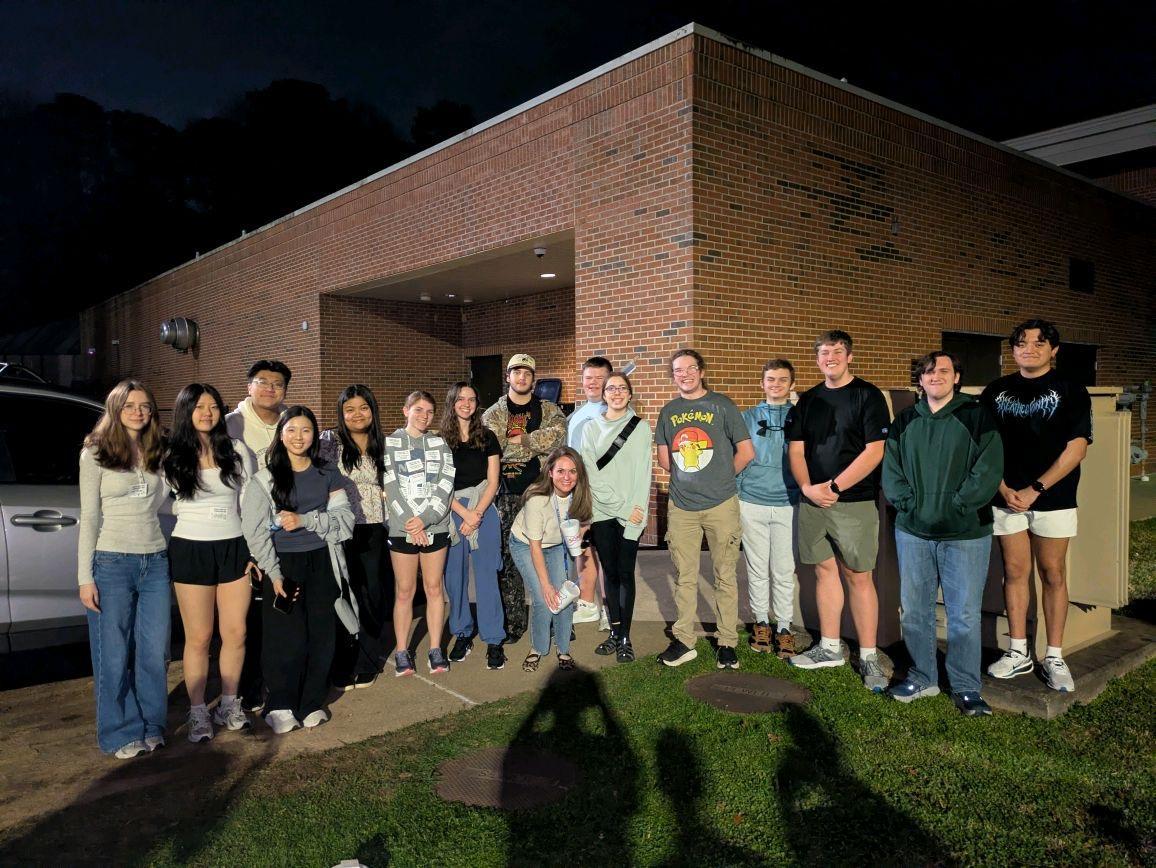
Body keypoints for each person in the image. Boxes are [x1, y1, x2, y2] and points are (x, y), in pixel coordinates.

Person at [882, 352, 1003, 716]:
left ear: (957, 377)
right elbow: (892, 471)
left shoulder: (977, 416)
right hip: (914, 532)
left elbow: (988, 469)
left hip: (965, 532)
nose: (935, 376)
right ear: (920, 380)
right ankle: (923, 677)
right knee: (915, 610)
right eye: (928, 372)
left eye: (944, 371)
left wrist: (958, 505)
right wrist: (909, 505)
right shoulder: (905, 421)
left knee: (963, 614)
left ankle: (966, 687)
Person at [981, 319, 1091, 693]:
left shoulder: (1071, 389)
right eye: (1022, 343)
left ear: (1053, 350)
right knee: (1014, 571)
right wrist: (1001, 486)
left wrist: (1036, 489)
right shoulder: (996, 390)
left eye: (1039, 343)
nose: (1029, 349)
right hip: (1006, 496)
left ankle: (1054, 656)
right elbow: (984, 444)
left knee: (1052, 572)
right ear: (1012, 349)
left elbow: (1077, 448)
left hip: (1052, 498)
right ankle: (1018, 651)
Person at [785, 330, 890, 692]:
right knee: (824, 571)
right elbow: (796, 450)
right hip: (813, 500)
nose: (830, 357)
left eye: (837, 351)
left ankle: (869, 655)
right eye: (824, 353)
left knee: (858, 575)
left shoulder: (867, 395)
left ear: (849, 356)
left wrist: (833, 487)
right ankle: (829, 647)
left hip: (853, 501)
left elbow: (875, 451)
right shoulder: (808, 400)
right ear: (817, 359)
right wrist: (807, 488)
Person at [240, 406, 355, 734]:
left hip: (322, 560)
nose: (298, 437)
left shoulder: (328, 474)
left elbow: (345, 522)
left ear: (314, 435)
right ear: (281, 435)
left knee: (321, 634)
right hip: (283, 565)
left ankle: (311, 702)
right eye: (291, 430)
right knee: (284, 637)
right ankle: (280, 704)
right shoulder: (264, 480)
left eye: (306, 430)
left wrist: (305, 520)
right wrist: (274, 574)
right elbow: (255, 532)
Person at [77, 379, 170, 759]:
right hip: (111, 562)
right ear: (115, 409)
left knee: (153, 652)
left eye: (145, 405)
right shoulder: (95, 453)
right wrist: (85, 577)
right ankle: (119, 732)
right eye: (130, 405)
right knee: (113, 654)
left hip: (155, 561)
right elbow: (89, 517)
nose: (138, 412)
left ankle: (152, 724)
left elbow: (165, 503)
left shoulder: (157, 451)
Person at [164, 383, 258, 742]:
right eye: (199, 407)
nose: (207, 413)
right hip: (191, 549)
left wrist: (253, 550)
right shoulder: (171, 454)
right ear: (185, 411)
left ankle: (229, 705)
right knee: (199, 637)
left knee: (235, 632)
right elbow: (157, 499)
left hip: (234, 547)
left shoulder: (235, 449)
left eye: (213, 406)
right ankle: (198, 711)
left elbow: (250, 502)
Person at [655, 349, 754, 669]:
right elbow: (665, 460)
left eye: (690, 368)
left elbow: (746, 452)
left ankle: (727, 642)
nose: (684, 374)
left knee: (725, 575)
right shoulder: (668, 411)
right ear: (673, 376)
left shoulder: (722, 405)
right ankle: (684, 640)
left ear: (701, 371)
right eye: (678, 370)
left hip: (721, 504)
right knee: (684, 576)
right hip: (682, 506)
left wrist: (721, 479)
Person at [482, 353, 567, 645]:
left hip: (540, 493)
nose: (522, 377)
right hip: (506, 494)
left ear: (533, 379)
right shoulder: (493, 413)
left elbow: (559, 437)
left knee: (549, 556)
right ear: (508, 377)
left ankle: (555, 619)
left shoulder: (549, 409)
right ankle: (514, 622)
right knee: (510, 561)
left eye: (527, 373)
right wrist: (534, 441)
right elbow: (492, 446)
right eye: (516, 372)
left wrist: (523, 439)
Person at [225, 359, 291, 712]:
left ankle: (280, 680)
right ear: (249, 385)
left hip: (287, 528)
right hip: (245, 531)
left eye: (277, 384)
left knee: (282, 609)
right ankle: (249, 686)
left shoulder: (290, 422)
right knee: (248, 616)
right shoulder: (230, 426)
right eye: (262, 382)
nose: (270, 389)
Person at [319, 385, 393, 691]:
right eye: (349, 409)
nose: (357, 415)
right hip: (339, 527)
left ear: (372, 410)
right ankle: (342, 660)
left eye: (363, 408)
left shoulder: (384, 443)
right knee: (341, 593)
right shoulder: (329, 442)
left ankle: (368, 658)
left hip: (374, 527)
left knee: (371, 593)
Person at [382, 391, 456, 676]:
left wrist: (425, 521)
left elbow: (445, 484)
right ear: (406, 411)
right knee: (405, 591)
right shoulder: (390, 444)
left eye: (429, 411)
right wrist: (411, 523)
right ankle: (402, 650)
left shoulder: (440, 444)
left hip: (434, 526)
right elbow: (390, 486)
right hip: (403, 529)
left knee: (434, 588)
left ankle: (435, 649)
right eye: (419, 410)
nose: (424, 416)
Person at [581, 372, 652, 663]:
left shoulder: (641, 428)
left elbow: (644, 473)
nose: (617, 393)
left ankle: (625, 637)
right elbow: (589, 472)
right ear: (603, 394)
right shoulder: (590, 428)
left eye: (622, 388)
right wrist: (619, 506)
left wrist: (634, 512)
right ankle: (614, 631)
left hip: (631, 514)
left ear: (630, 394)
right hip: (601, 512)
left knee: (625, 574)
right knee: (609, 574)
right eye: (611, 388)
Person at [440, 382, 507, 671]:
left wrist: (476, 514)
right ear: (452, 402)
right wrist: (463, 514)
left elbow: (493, 481)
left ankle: (494, 638)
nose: (466, 403)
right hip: (452, 510)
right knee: (454, 576)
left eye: (471, 399)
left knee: (487, 573)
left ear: (477, 404)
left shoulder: (488, 437)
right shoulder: (440, 440)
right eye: (461, 398)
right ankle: (463, 632)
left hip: (483, 508)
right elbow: (439, 484)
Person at [737, 359, 801, 658]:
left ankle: (784, 627)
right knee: (757, 568)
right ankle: (761, 622)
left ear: (791, 384)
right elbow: (738, 454)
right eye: (771, 379)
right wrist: (739, 490)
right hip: (752, 501)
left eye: (782, 380)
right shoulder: (747, 417)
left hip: (788, 501)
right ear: (762, 383)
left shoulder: (800, 417)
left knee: (784, 570)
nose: (776, 384)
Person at [509, 446, 593, 672]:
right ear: (550, 472)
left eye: (573, 471)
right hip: (526, 544)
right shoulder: (537, 499)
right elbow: (535, 547)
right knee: (543, 597)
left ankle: (563, 649)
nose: (567, 477)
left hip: (556, 545)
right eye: (561, 471)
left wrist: (581, 538)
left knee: (564, 596)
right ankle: (537, 648)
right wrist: (546, 585)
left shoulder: (579, 496)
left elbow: (585, 525)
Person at [568, 356, 614, 626]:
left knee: (607, 553)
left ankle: (610, 609)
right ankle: (587, 604)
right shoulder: (577, 415)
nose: (593, 383)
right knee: (583, 549)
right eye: (589, 378)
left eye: (600, 378)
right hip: (579, 494)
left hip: (606, 495)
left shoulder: (616, 413)